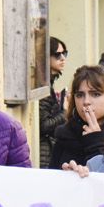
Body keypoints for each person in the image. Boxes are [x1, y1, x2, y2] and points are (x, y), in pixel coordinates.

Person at [50, 65, 104, 171]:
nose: (86, 102)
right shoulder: (64, 134)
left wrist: (95, 142)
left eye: (96, 94)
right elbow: (52, 175)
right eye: (80, 95)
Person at [37, 37, 68, 168]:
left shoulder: (47, 84)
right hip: (43, 155)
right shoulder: (42, 85)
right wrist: (65, 111)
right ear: (45, 57)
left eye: (64, 53)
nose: (63, 58)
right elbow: (44, 125)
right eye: (57, 54)